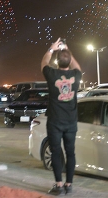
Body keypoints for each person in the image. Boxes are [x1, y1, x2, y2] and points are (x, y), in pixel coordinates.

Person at [41, 38, 82, 196]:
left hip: (55, 122)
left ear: (57, 61)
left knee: (56, 152)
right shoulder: (76, 75)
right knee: (70, 153)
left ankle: (59, 186)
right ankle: (69, 184)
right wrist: (67, 51)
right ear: (69, 60)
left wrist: (52, 49)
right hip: (71, 122)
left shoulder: (52, 74)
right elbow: (77, 66)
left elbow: (44, 62)